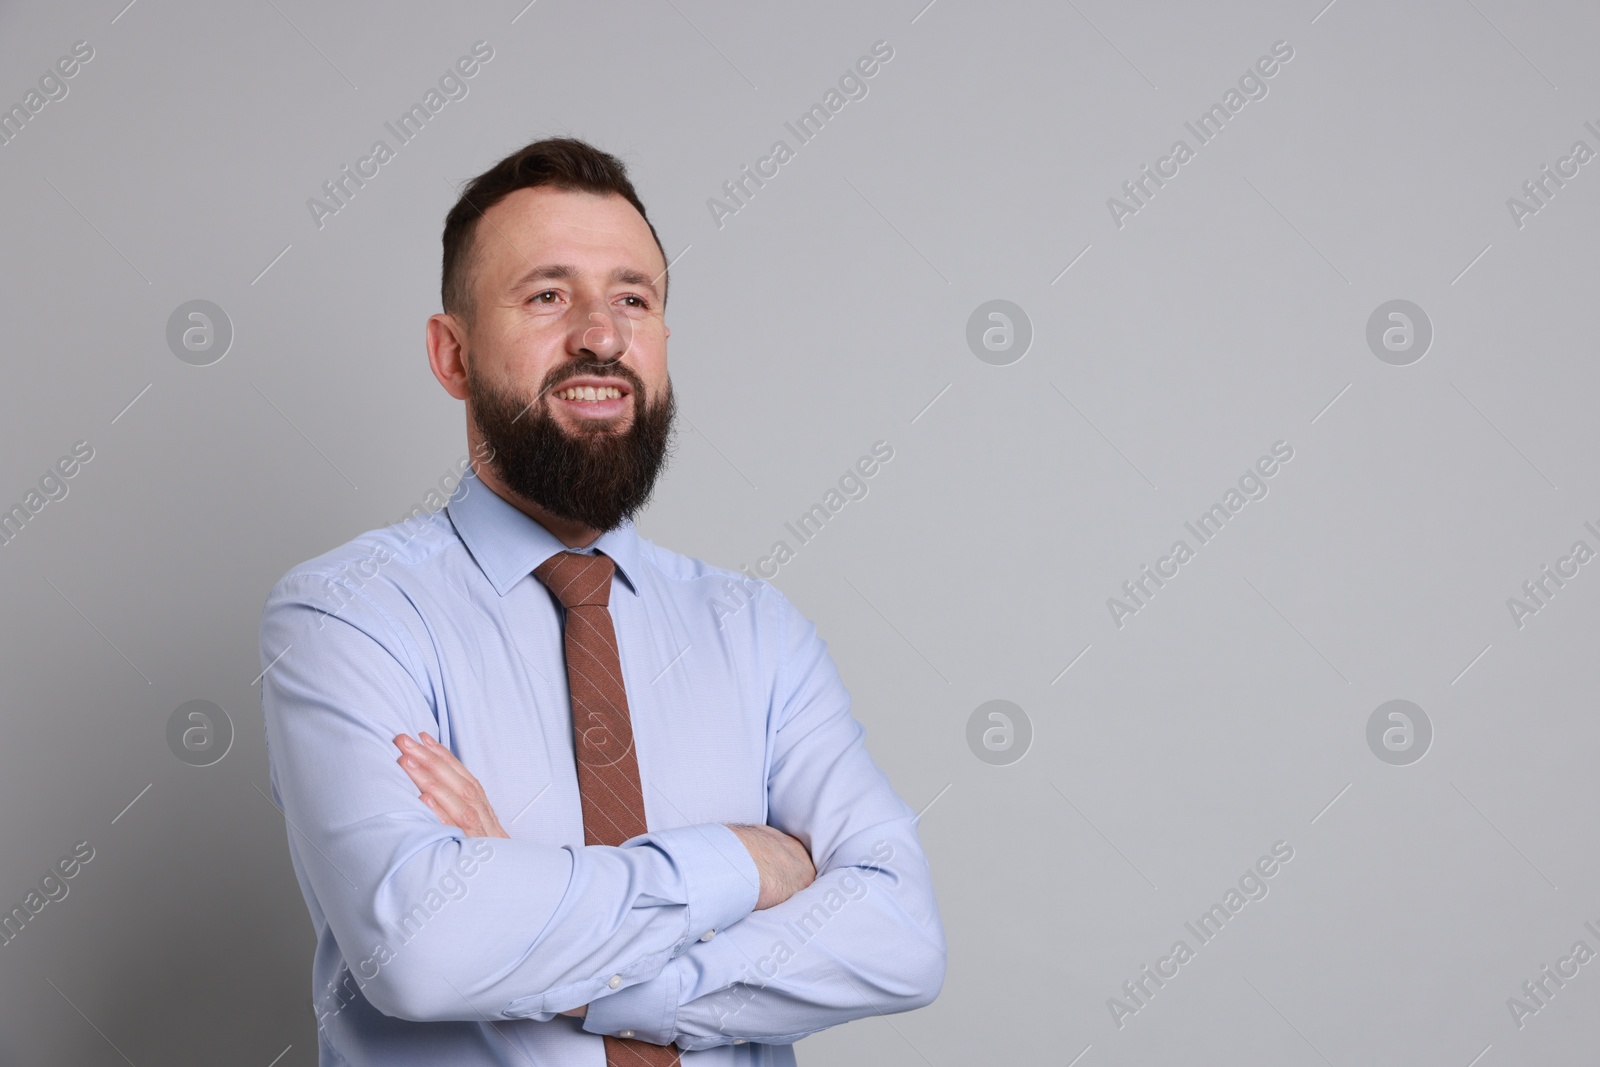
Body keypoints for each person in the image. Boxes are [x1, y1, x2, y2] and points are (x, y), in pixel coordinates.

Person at [259, 137, 945, 1065]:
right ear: (451, 354)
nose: (602, 334)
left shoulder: (759, 631)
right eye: (548, 295)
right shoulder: (348, 614)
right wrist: (747, 864)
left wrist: (548, 927)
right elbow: (421, 950)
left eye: (634, 298)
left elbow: (900, 936)